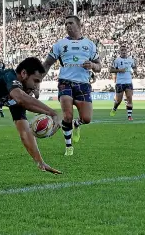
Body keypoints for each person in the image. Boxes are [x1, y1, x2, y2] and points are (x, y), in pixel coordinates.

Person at [42, 15, 101, 156]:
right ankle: (69, 146)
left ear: (79, 25)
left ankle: (77, 124)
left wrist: (92, 65)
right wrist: (37, 81)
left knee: (86, 119)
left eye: (70, 23)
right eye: (66, 23)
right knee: (67, 116)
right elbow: (47, 64)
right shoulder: (60, 44)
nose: (67, 26)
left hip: (83, 85)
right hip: (65, 82)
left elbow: (99, 67)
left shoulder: (90, 44)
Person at [109, 44, 137, 121]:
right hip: (120, 83)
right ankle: (114, 108)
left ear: (127, 51)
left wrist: (134, 71)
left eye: (125, 50)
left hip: (128, 82)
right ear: (120, 51)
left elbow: (134, 67)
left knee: (129, 98)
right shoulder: (117, 60)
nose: (124, 52)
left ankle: (129, 116)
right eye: (122, 50)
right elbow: (111, 70)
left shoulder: (131, 60)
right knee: (118, 100)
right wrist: (120, 70)